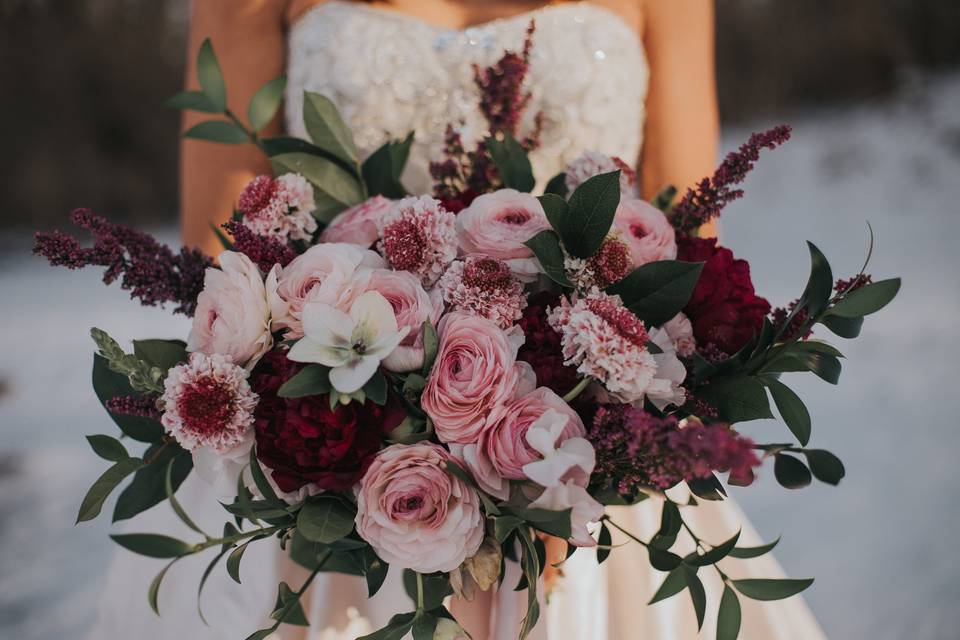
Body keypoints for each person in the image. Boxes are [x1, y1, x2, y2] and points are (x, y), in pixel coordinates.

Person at [90, 2, 824, 639]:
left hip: (590, 467)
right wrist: (357, 465)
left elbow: (683, 248)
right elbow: (226, 255)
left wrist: (584, 471)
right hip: (327, 454)